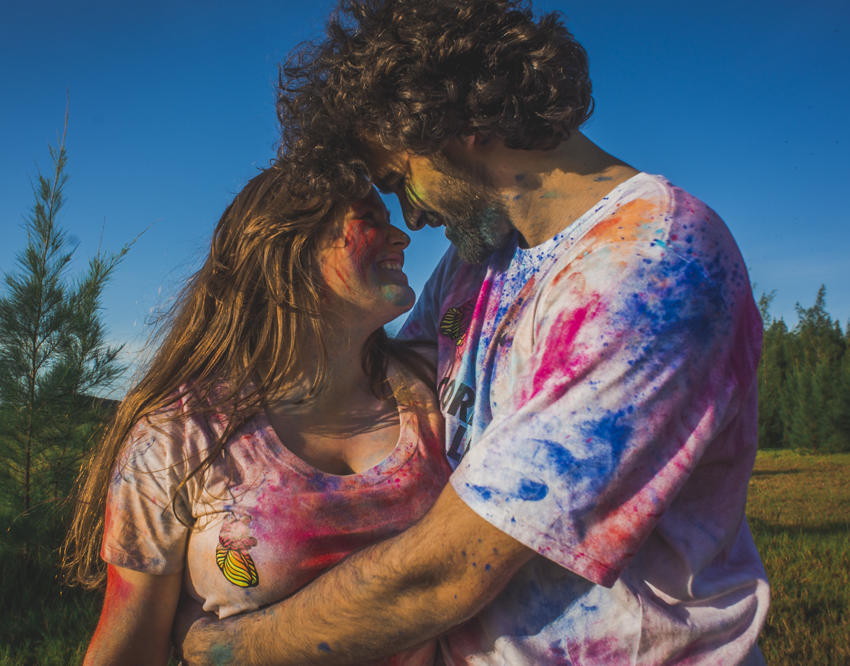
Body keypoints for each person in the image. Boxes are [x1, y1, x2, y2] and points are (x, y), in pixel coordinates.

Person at [177, 1, 770, 664]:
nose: (410, 217)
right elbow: (376, 388)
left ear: (460, 124)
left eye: (400, 180)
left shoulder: (653, 264)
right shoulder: (476, 262)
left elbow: (450, 570)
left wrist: (229, 648)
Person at [63, 165, 453, 666]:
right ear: (287, 250)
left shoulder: (437, 391)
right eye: (370, 220)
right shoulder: (179, 433)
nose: (402, 236)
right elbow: (130, 642)